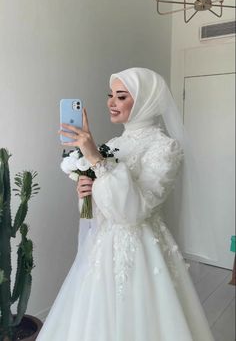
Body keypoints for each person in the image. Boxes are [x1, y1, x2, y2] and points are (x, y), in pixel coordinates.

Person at [37, 67, 214, 341]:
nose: (111, 102)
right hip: (101, 246)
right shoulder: (114, 144)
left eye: (121, 96)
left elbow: (134, 211)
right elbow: (101, 208)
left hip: (141, 248)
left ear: (147, 100)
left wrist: (96, 159)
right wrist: (86, 194)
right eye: (111, 95)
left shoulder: (165, 147)